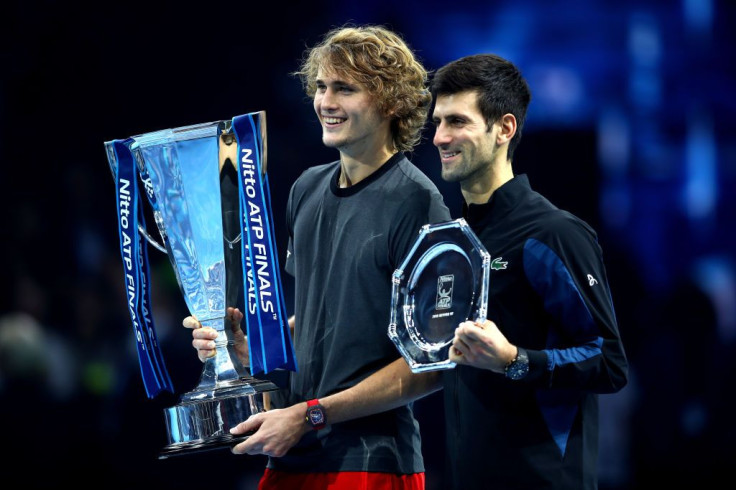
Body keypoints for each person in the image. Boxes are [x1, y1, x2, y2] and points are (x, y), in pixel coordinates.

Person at [183, 25, 450, 489]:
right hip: (291, 452)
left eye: (344, 89)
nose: (326, 102)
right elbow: (320, 320)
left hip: (372, 462)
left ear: (390, 102)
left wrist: (312, 414)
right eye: (321, 87)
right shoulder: (306, 188)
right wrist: (251, 349)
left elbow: (433, 365)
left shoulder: (418, 203)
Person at [429, 53, 629, 489]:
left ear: (504, 128)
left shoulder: (553, 233)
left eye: (458, 121)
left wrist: (515, 361)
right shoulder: (451, 240)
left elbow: (609, 362)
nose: (440, 137)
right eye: (438, 121)